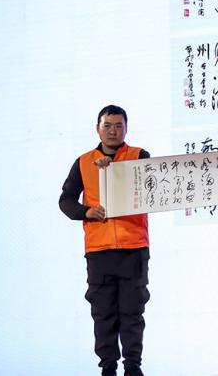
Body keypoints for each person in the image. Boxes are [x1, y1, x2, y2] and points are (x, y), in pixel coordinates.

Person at [59, 105, 150, 376]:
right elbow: (65, 200)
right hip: (99, 251)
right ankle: (107, 368)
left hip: (133, 247)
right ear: (98, 129)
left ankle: (132, 366)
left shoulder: (139, 156)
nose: (113, 131)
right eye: (107, 125)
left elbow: (153, 189)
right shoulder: (83, 161)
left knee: (132, 312)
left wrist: (114, 170)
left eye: (119, 126)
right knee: (103, 313)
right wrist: (85, 211)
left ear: (126, 129)